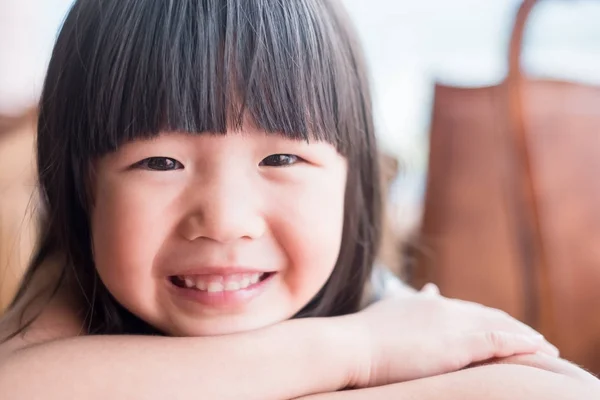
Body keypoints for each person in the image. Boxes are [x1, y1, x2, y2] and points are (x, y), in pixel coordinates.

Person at [0, 1, 598, 399]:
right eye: (160, 162)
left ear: (350, 179)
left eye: (282, 159)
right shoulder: (69, 290)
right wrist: (358, 352)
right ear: (83, 188)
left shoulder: (383, 305)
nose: (226, 221)